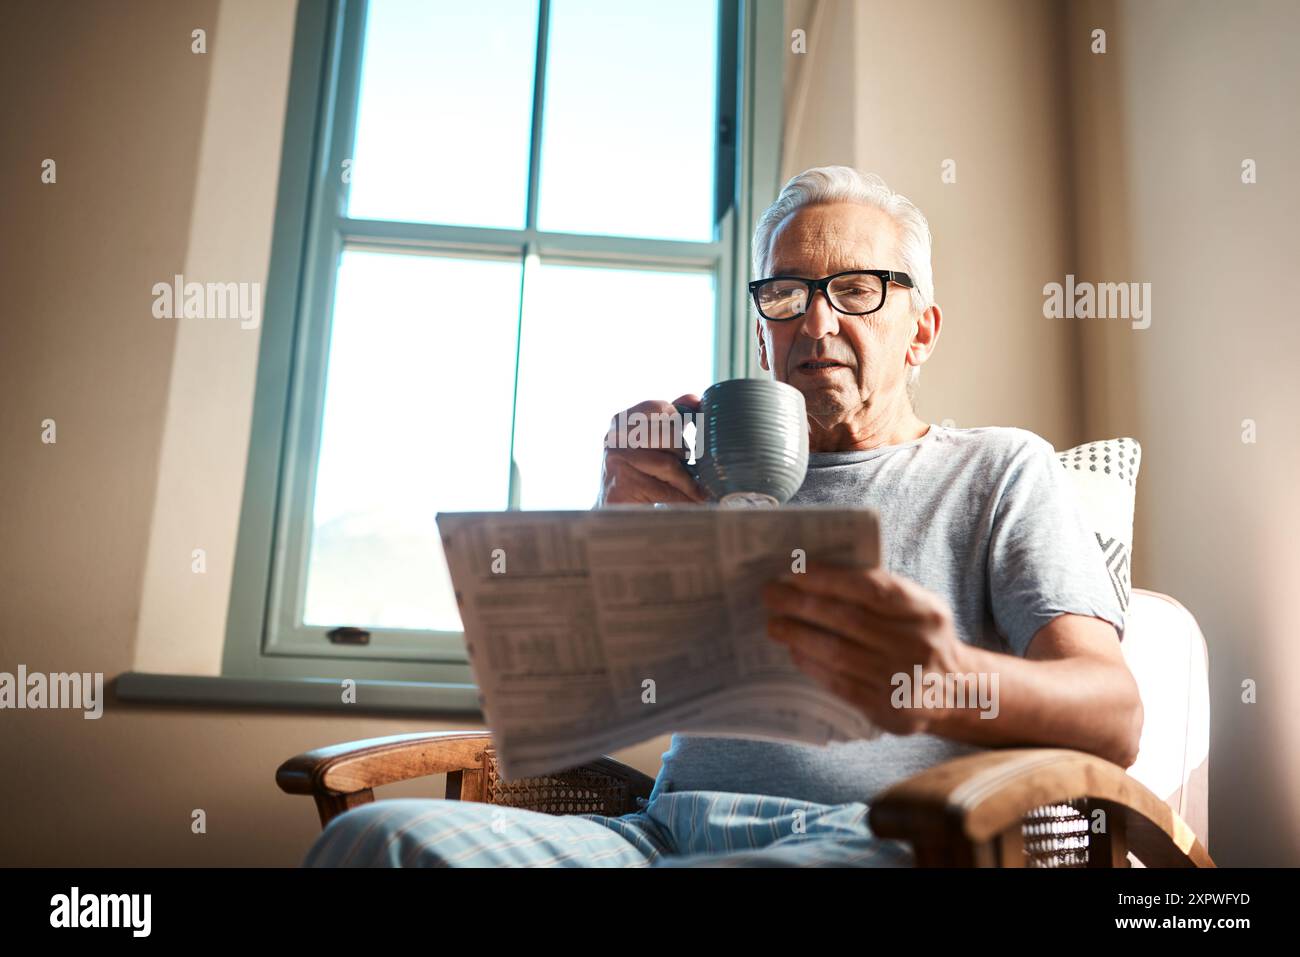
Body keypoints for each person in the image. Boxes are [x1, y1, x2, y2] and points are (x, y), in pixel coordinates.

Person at [304, 166, 1138, 867]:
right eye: (787, 294)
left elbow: (1113, 713)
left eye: (855, 289)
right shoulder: (703, 480)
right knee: (382, 838)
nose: (817, 320)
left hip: (870, 838)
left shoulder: (998, 469)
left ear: (921, 330)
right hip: (659, 834)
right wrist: (608, 519)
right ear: (762, 330)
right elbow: (578, 701)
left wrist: (940, 676)